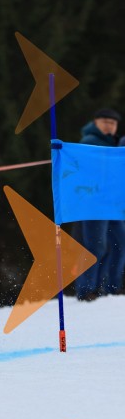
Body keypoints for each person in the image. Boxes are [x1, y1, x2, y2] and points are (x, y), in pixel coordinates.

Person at [75, 108, 125, 300]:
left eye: (112, 123)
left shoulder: (114, 145)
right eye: (105, 122)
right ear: (95, 123)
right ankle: (87, 290)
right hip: (93, 203)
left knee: (119, 245)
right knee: (95, 247)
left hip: (112, 204)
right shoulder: (90, 143)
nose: (109, 126)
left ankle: (111, 288)